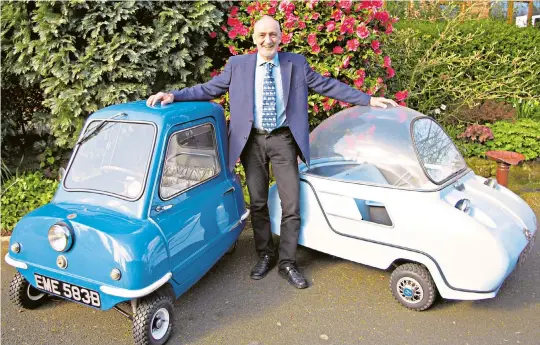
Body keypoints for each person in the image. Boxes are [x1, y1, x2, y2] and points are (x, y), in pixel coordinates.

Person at [147, 15, 397, 289]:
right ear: (254, 38)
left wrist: (368, 99)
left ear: (280, 37)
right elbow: (209, 89)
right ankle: (266, 254)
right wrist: (174, 95)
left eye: (273, 35)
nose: (268, 40)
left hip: (283, 141)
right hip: (251, 142)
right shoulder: (237, 65)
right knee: (257, 202)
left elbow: (328, 85)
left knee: (292, 204)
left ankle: (287, 262)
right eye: (262, 35)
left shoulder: (296, 64)